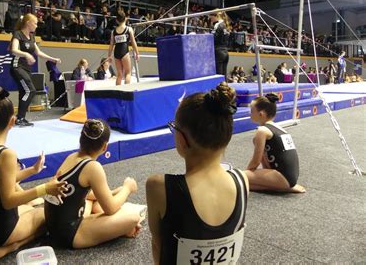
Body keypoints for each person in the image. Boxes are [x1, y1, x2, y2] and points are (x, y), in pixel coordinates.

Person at [146, 82, 249, 264]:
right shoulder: (242, 181)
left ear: (182, 139)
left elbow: (158, 245)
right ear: (226, 136)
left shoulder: (158, 186)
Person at [0, 86, 67, 263]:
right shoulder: (6, 154)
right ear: (12, 121)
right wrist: (45, 188)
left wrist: (32, 170)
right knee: (49, 215)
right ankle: (9, 247)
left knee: (30, 209)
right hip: (0, 230)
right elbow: (8, 201)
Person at [44, 119, 143, 249]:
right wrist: (127, 188)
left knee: (94, 201)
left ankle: (112, 226)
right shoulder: (92, 167)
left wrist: (111, 193)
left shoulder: (71, 157)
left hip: (53, 227)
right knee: (133, 218)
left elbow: (74, 193)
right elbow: (111, 208)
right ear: (105, 147)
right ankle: (118, 228)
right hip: (69, 234)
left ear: (81, 139)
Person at [245, 93, 305, 193]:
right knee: (248, 184)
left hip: (282, 176)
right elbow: (268, 159)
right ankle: (284, 186)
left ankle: (284, 187)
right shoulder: (280, 129)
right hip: (290, 176)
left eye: (251, 111)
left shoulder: (262, 131)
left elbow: (256, 162)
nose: (249, 114)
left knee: (238, 178)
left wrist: (246, 174)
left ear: (261, 114)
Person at [10, 13, 61, 127]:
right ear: (28, 23)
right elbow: (14, 50)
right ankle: (20, 117)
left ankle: (20, 118)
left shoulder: (32, 37)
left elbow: (38, 53)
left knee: (24, 92)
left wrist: (53, 59)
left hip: (26, 68)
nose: (37, 26)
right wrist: (26, 55)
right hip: (17, 66)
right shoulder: (18, 34)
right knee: (30, 90)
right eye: (35, 23)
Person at [107, 12, 140, 85]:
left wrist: (109, 56)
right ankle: (126, 91)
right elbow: (133, 42)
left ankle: (117, 93)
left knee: (119, 75)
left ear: (117, 20)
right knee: (128, 73)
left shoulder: (113, 31)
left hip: (116, 53)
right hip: (124, 52)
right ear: (125, 19)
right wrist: (137, 53)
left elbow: (111, 44)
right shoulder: (129, 29)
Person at [212, 11, 231, 78]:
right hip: (225, 52)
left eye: (211, 17)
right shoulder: (226, 25)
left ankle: (219, 88)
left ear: (216, 16)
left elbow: (213, 38)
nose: (211, 19)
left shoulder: (218, 25)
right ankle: (225, 88)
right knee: (224, 76)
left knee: (219, 76)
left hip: (219, 52)